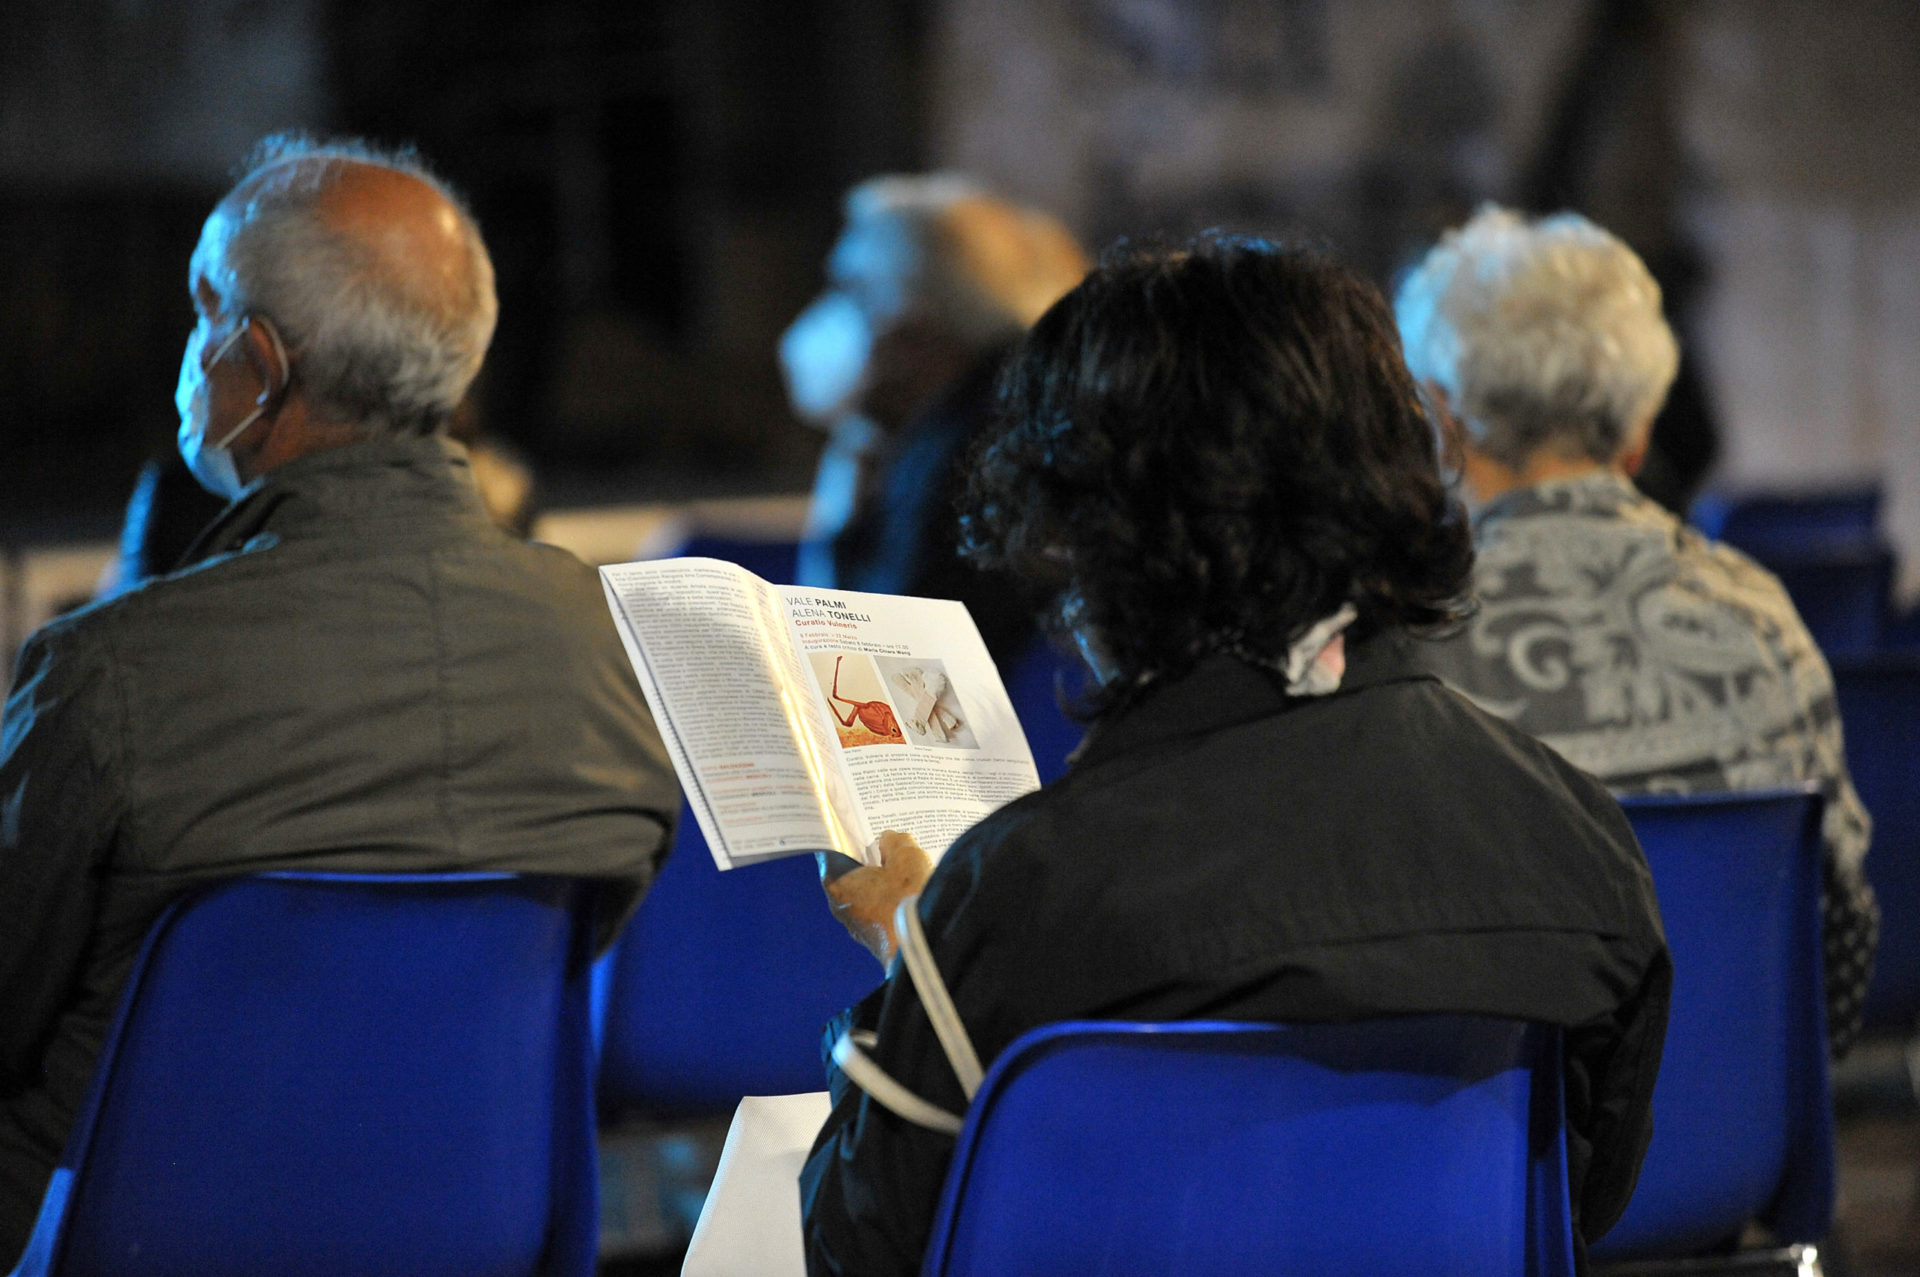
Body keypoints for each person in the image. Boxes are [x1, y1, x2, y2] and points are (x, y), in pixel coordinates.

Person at [800, 235, 1671, 1274]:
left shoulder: (1013, 891)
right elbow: (1584, 1198)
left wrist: (913, 962)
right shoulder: (1573, 831)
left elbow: (863, 1247)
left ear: (1096, 537)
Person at [0, 134, 679, 1264]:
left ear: (257, 364)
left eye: (200, 311)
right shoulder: (615, 652)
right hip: (477, 1233)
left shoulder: (113, 671)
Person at [1396, 206, 1878, 1056]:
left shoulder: (1402, 647)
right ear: (1641, 425)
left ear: (1443, 420)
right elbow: (1835, 973)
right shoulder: (1762, 614)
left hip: (1505, 1168)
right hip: (1737, 1150)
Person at [778, 174, 1087, 666]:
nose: (830, 319)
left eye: (854, 291)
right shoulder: (1000, 411)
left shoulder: (968, 450)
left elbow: (881, 664)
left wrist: (850, 515)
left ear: (914, 318)